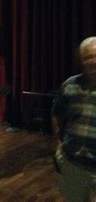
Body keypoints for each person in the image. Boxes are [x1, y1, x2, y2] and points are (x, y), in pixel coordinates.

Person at [52, 36, 96, 202]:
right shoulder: (70, 85)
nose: (92, 61)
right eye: (88, 57)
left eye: (95, 56)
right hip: (73, 165)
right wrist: (58, 144)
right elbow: (57, 114)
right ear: (81, 61)